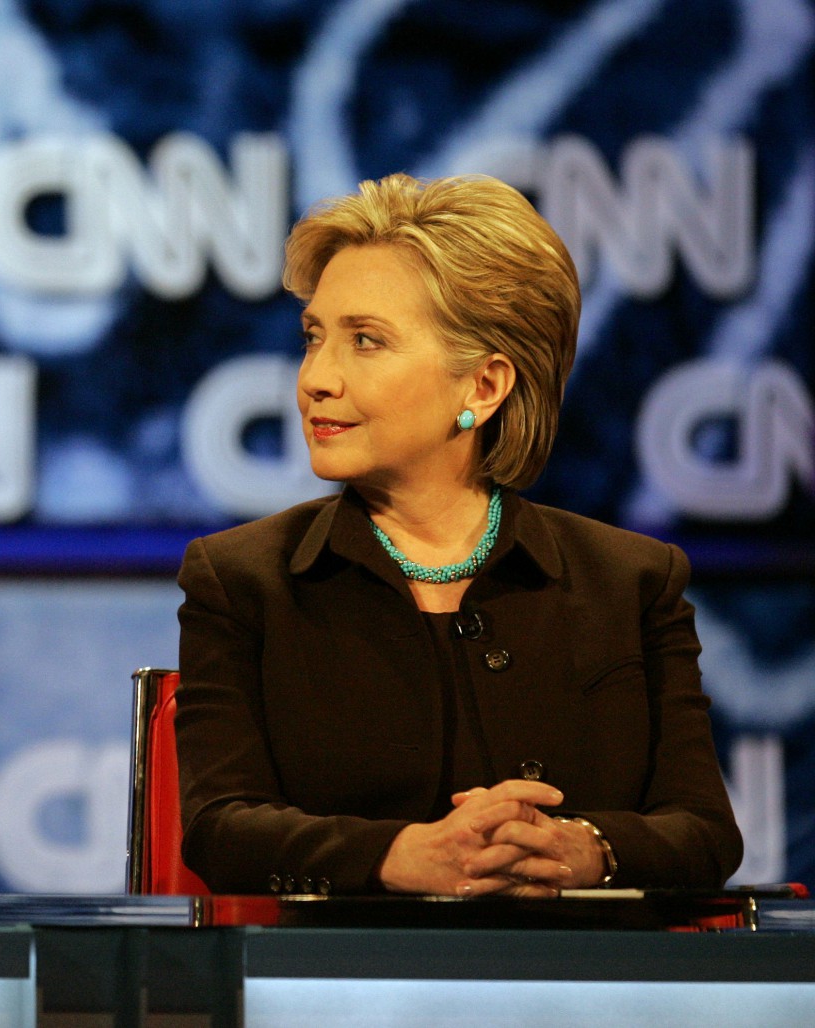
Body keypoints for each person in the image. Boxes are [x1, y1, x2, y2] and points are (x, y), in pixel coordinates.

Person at [174, 173, 741, 897]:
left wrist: (584, 849)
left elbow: (703, 831)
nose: (316, 377)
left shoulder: (633, 582)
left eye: (366, 341)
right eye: (314, 338)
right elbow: (221, 828)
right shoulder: (241, 579)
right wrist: (399, 856)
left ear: (483, 386)